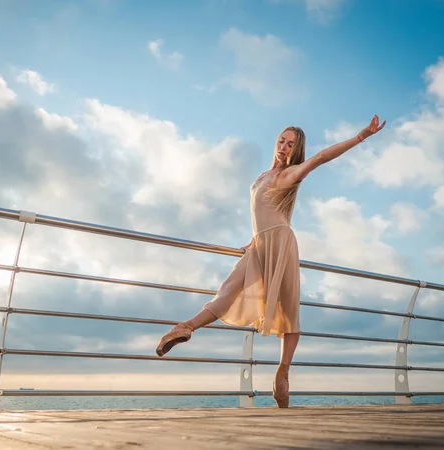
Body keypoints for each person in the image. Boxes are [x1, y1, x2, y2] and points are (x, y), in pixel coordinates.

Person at [155, 115, 386, 408]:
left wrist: (361, 136)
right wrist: (253, 239)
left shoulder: (289, 175)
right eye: (281, 140)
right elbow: (263, 211)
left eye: (291, 144)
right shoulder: (264, 175)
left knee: (289, 310)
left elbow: (322, 157)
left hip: (281, 244)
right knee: (227, 291)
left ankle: (282, 374)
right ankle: (184, 327)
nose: (284, 147)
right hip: (261, 245)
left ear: (296, 150)